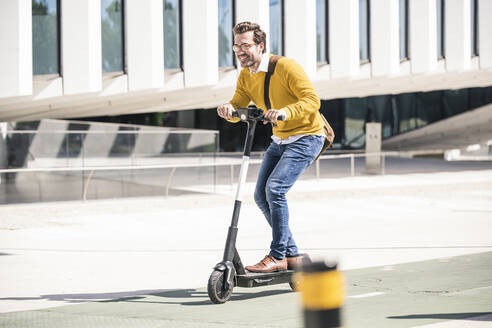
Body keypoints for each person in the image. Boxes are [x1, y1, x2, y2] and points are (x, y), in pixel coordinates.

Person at [217, 22, 325, 273]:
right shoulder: (245, 75)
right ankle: (293, 254)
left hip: (306, 136)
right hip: (280, 139)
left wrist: (286, 112)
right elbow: (238, 105)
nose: (240, 51)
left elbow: (312, 100)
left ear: (261, 45)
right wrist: (228, 111)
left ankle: (277, 255)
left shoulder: (286, 67)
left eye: (246, 45)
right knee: (259, 195)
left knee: (275, 189)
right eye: (236, 46)